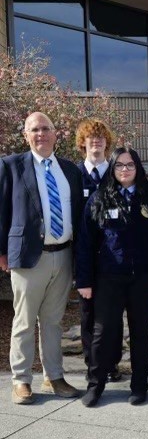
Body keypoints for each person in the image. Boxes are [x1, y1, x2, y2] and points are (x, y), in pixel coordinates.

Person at [0, 112, 83, 404]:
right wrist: (2, 252)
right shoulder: (10, 166)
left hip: (63, 256)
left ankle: (54, 377)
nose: (41, 134)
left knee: (53, 321)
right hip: (27, 257)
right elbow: (1, 212)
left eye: (46, 128)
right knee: (23, 321)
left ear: (56, 133)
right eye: (34, 129)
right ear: (26, 135)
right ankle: (21, 380)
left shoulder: (70, 170)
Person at [76, 147, 148, 407]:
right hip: (108, 278)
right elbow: (85, 242)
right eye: (119, 165)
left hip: (143, 278)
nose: (124, 170)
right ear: (112, 169)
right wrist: (84, 280)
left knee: (141, 332)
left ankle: (139, 386)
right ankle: (96, 385)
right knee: (103, 333)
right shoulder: (99, 198)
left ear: (138, 168)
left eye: (130, 165)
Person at [75, 118, 123, 383]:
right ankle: (92, 362)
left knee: (112, 312)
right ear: (83, 143)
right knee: (87, 313)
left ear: (107, 143)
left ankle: (112, 362)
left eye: (101, 138)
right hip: (83, 257)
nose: (96, 142)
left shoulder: (117, 174)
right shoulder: (74, 175)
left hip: (113, 258)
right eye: (91, 138)